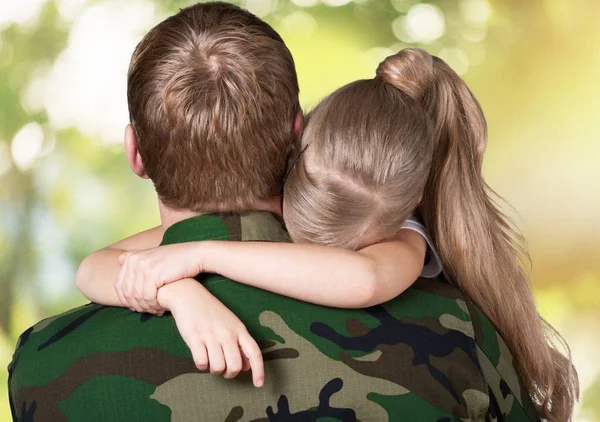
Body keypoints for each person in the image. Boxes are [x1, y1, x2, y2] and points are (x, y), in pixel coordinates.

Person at [7, 3, 575, 421]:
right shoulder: (455, 330)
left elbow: (103, 266)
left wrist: (179, 276)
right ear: (297, 131)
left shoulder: (41, 367)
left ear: (137, 154)